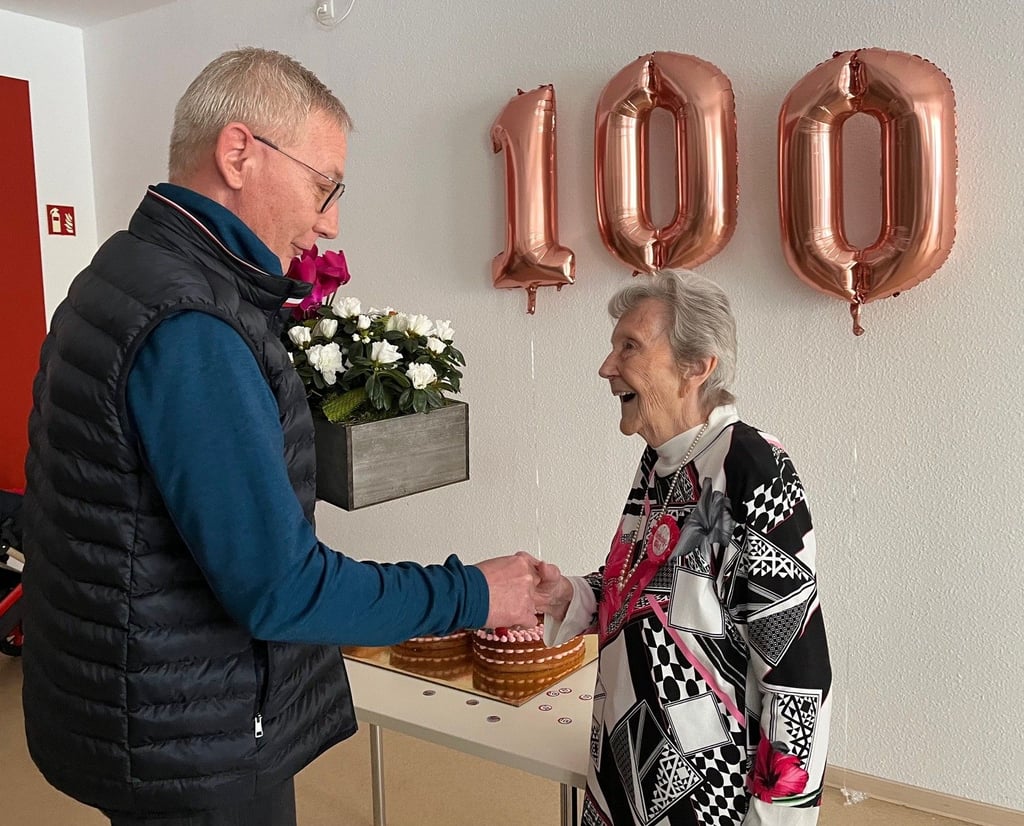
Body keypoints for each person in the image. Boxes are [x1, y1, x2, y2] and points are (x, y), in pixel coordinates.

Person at [20, 47, 538, 826]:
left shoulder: (125, 271)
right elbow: (280, 588)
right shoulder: (190, 326)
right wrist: (475, 593)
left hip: (134, 706)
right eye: (325, 185)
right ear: (238, 154)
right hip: (193, 738)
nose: (328, 221)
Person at [534, 270, 832, 826]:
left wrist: (779, 817)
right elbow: (652, 594)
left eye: (630, 347)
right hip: (624, 766)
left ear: (697, 367)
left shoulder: (750, 467)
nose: (606, 366)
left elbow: (796, 668)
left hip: (704, 795)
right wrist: (569, 594)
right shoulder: (665, 459)